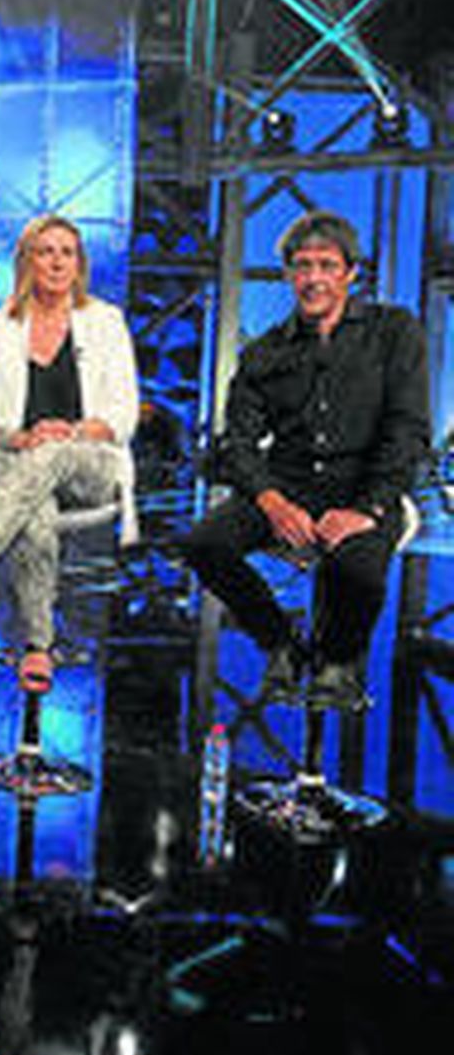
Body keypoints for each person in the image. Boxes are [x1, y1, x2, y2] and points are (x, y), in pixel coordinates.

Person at [180, 209, 429, 709]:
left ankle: (337, 663)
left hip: (364, 487)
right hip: (286, 487)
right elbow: (240, 444)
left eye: (327, 266)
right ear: (288, 274)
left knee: (356, 569)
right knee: (204, 544)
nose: (313, 278)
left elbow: (408, 429)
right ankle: (281, 644)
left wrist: (367, 509)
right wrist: (272, 501)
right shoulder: (264, 352)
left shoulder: (394, 331)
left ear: (350, 273)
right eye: (302, 266)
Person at [0, 213, 139, 692]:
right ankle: (38, 645)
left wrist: (73, 431)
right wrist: (19, 438)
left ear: (78, 264)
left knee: (54, 452)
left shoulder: (105, 323)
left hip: (90, 462)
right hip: (13, 462)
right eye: (46, 251)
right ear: (27, 262)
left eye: (67, 252)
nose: (57, 262)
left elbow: (124, 414)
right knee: (34, 507)